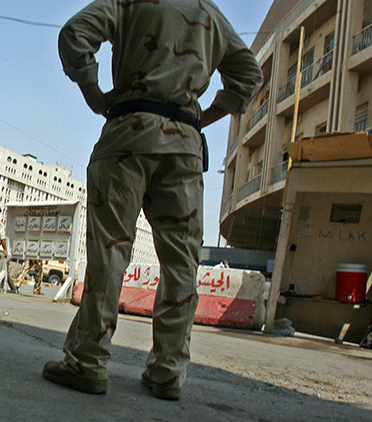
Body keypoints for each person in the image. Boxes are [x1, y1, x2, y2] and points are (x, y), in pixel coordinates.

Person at [43, 0, 262, 399]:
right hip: (185, 147)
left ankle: (87, 362)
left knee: (111, 252)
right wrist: (200, 117)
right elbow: (249, 74)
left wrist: (94, 94)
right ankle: (167, 373)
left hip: (130, 131)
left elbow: (75, 34)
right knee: (181, 262)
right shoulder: (210, 14)